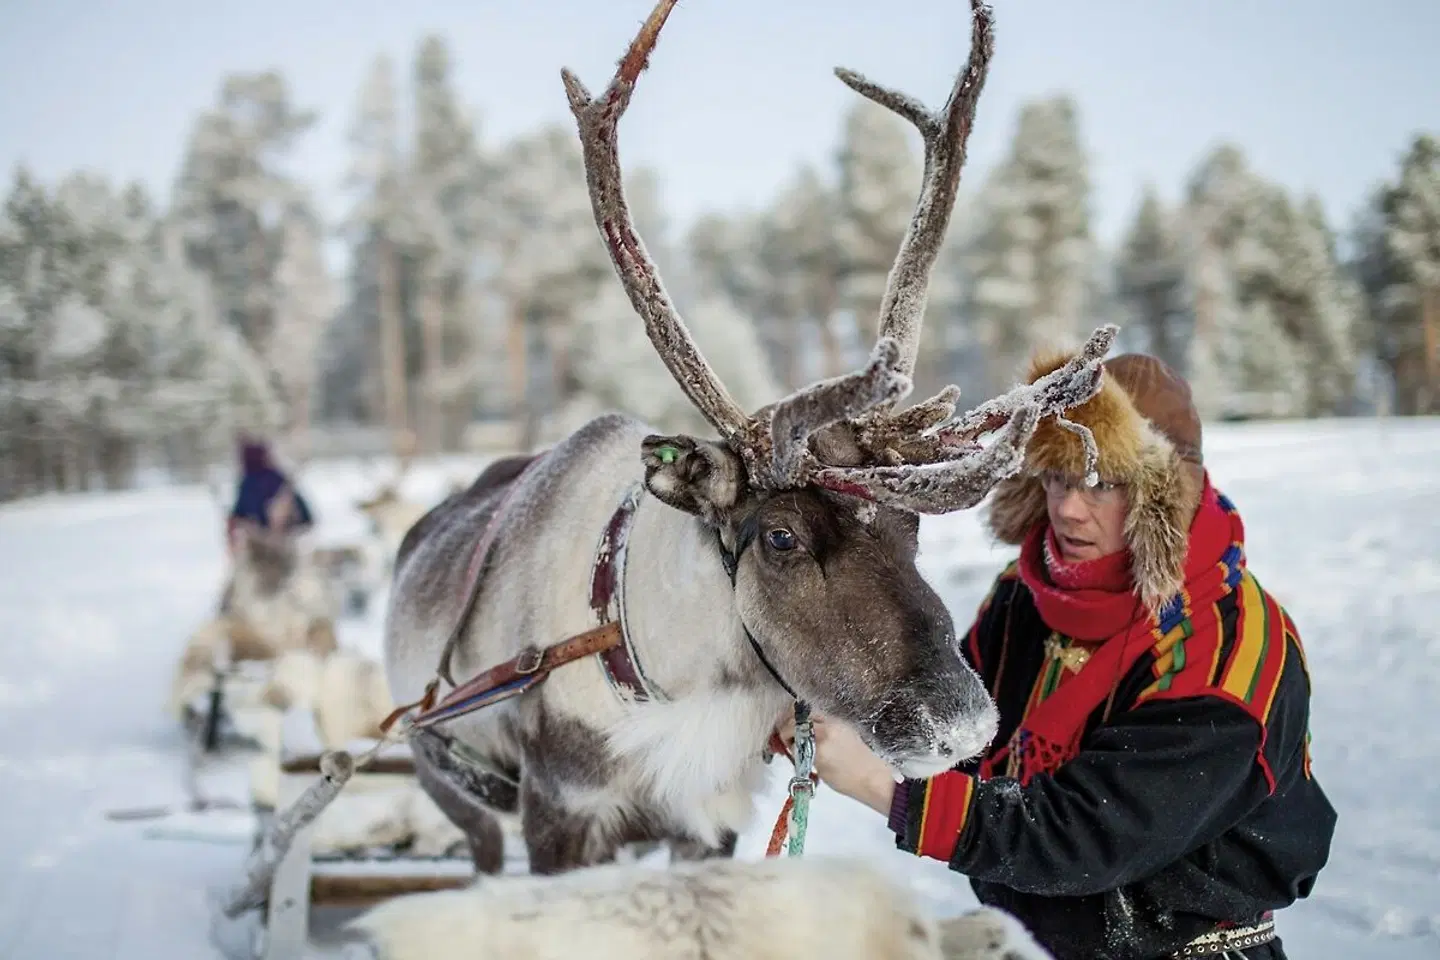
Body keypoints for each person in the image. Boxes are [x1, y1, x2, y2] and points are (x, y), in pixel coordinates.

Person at [777, 351, 1336, 960]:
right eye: (1056, 476)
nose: (1069, 507)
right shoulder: (1028, 593)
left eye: (1102, 483)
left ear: (1161, 496)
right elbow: (958, 738)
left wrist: (881, 784)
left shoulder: (1230, 654)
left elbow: (1086, 838)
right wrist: (832, 714)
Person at [226, 435, 314, 550]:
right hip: (281, 542)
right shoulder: (278, 478)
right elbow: (307, 517)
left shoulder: (249, 483)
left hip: (269, 543)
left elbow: (239, 514)